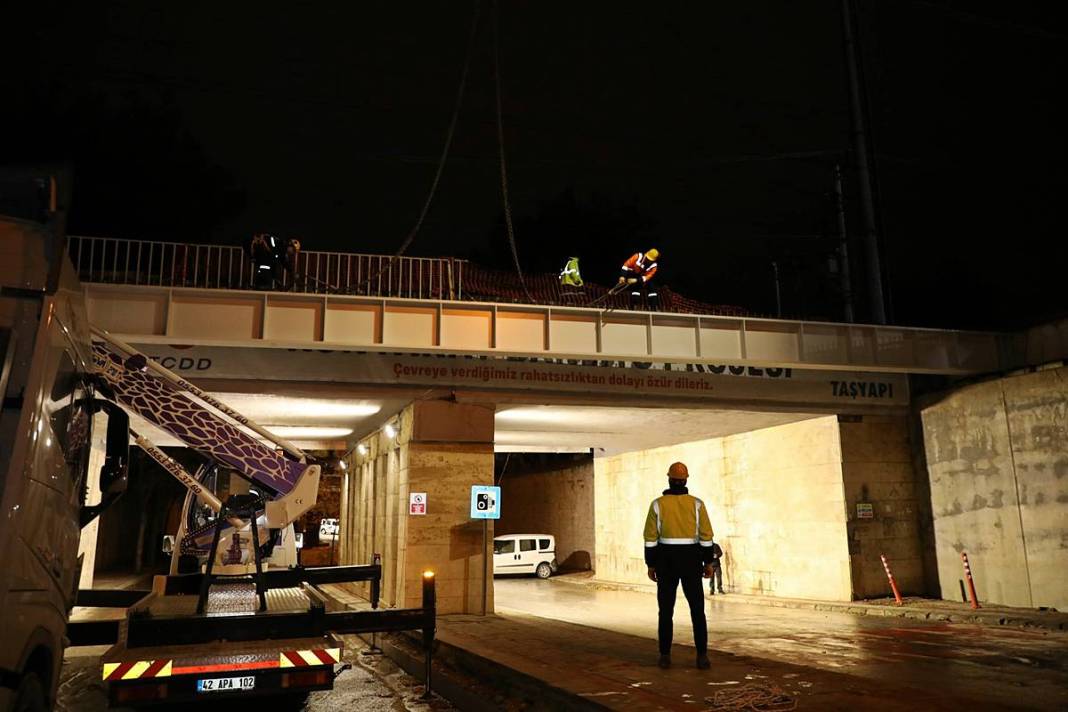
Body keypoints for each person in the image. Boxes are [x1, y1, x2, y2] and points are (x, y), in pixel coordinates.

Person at [643, 461, 715, 670]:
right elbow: (706, 536)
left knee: (665, 611)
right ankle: (702, 656)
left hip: (666, 561)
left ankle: (665, 656)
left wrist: (651, 563)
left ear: (669, 479)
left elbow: (650, 537)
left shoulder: (657, 504)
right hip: (691, 560)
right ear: (685, 480)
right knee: (697, 611)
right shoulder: (697, 504)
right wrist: (708, 562)